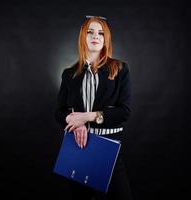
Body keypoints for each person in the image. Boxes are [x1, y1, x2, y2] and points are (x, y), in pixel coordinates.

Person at [55, 15, 133, 200]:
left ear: (105, 40)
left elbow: (124, 112)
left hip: (109, 151)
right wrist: (76, 123)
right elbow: (59, 111)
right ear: (83, 37)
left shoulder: (120, 69)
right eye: (90, 32)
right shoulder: (69, 74)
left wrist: (87, 117)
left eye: (100, 33)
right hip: (78, 149)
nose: (95, 36)